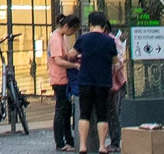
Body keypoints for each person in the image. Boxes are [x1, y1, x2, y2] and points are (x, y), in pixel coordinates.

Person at [73, 13, 121, 154]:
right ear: (104, 25)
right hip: (103, 82)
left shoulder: (83, 39)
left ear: (90, 24)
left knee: (84, 114)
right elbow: (115, 61)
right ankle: (102, 146)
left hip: (85, 81)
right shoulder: (109, 41)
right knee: (102, 114)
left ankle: (83, 145)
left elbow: (71, 54)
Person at [46, 15, 81, 152]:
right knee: (61, 111)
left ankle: (68, 139)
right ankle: (60, 142)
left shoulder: (62, 38)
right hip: (59, 79)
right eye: (72, 30)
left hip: (63, 78)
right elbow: (58, 61)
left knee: (66, 111)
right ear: (66, 26)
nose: (72, 33)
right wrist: (74, 66)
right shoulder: (56, 39)